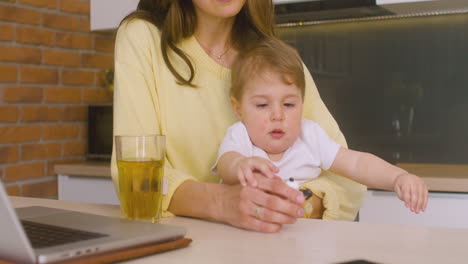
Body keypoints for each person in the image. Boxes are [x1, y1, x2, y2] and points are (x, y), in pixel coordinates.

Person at [111, 0, 367, 233]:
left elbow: (350, 178)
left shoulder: (274, 60)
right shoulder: (142, 37)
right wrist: (223, 203)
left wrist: (293, 206)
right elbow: (137, 179)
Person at [213, 39, 428, 215]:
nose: (277, 115)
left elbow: (357, 163)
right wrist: (242, 164)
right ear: (238, 108)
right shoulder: (240, 136)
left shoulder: (309, 136)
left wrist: (398, 178)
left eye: (289, 104)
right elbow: (227, 163)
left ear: (302, 104)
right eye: (262, 105)